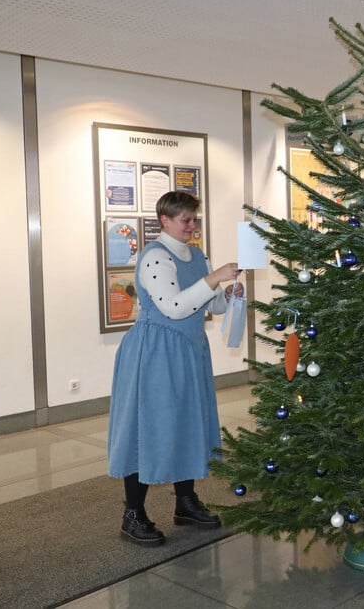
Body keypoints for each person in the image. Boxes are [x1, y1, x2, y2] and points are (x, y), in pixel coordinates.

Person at [107, 191, 244, 546]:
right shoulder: (155, 257)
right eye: (185, 220)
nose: (192, 226)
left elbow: (208, 303)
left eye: (195, 219)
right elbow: (175, 306)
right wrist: (215, 278)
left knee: (187, 423)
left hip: (187, 351)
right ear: (164, 220)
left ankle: (185, 501)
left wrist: (227, 294)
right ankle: (133, 514)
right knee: (146, 429)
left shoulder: (196, 254)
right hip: (155, 354)